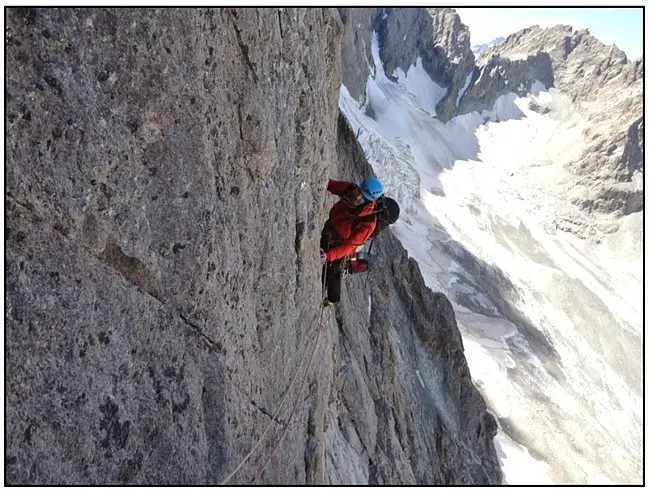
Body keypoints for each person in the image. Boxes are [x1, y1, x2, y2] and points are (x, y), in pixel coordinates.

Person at [320, 177, 385, 306]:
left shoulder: (368, 223)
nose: (357, 197)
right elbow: (330, 184)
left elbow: (349, 246)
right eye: (359, 192)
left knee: (332, 273)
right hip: (330, 229)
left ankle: (332, 299)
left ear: (369, 201)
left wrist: (329, 255)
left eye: (362, 197)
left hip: (340, 243)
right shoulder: (349, 189)